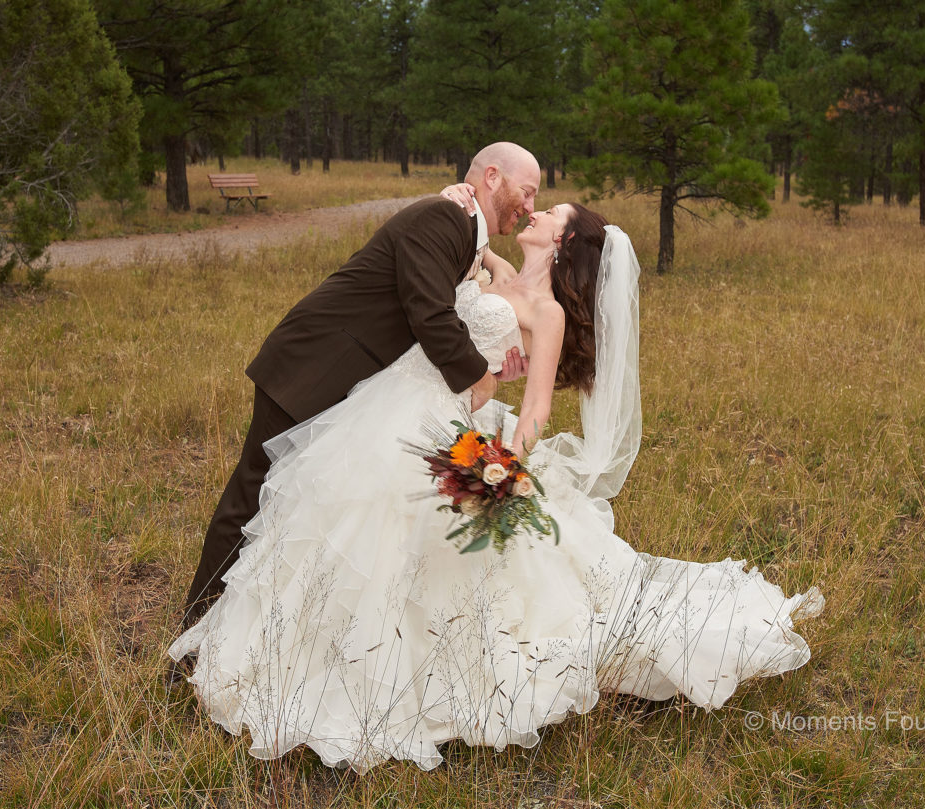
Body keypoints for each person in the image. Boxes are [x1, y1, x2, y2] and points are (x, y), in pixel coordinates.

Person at [167, 194, 825, 772]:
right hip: (386, 402)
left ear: (565, 240)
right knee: (333, 517)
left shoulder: (548, 312)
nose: (537, 211)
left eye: (552, 213)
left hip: (449, 427)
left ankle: (404, 678)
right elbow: (448, 256)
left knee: (411, 542)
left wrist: (500, 466)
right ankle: (303, 650)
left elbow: (535, 409)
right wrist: (457, 202)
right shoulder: (498, 269)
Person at [174, 143, 543, 662]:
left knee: (295, 504)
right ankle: (194, 636)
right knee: (251, 498)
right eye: (527, 191)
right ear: (492, 177)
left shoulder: (463, 228)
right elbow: (431, 315)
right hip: (311, 369)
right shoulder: (443, 217)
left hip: (353, 385)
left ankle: (261, 634)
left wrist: (491, 264)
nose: (530, 206)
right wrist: (479, 378)